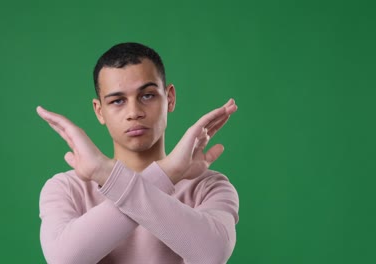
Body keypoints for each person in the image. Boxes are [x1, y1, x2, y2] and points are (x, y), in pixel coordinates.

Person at [36, 42, 239, 264]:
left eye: (147, 95)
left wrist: (106, 174)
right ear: (99, 111)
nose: (134, 112)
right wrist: (168, 173)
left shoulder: (209, 186)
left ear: (169, 98)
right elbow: (64, 260)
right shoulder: (67, 188)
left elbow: (211, 255)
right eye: (117, 101)